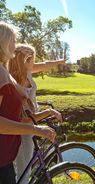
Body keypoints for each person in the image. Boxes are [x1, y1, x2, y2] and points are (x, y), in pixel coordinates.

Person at [0, 21, 56, 184]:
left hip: (5, 156)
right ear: (3, 42)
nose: (15, 45)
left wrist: (23, 92)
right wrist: (35, 129)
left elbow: (14, 86)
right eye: (13, 40)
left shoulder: (4, 71)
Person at [9, 43, 64, 183]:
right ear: (25, 60)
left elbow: (45, 65)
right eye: (33, 58)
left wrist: (58, 62)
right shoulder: (17, 83)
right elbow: (25, 119)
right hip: (24, 132)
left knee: (23, 169)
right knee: (23, 174)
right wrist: (48, 111)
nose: (35, 62)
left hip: (31, 125)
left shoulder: (26, 72)